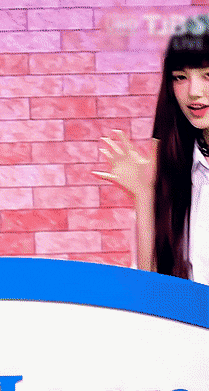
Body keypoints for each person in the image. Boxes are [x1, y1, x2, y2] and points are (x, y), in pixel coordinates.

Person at [94, 14, 209, 283]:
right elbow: (153, 291)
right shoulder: (176, 172)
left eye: (207, 76)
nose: (194, 92)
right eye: (180, 77)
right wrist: (145, 194)